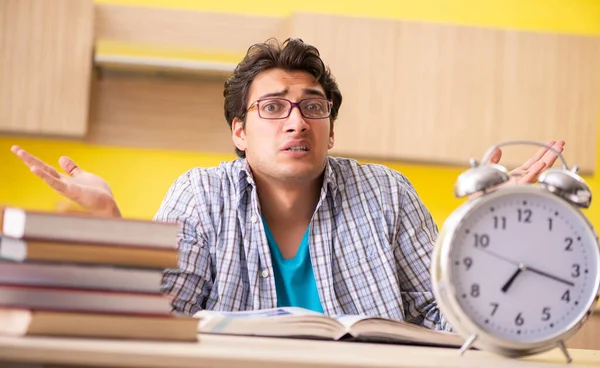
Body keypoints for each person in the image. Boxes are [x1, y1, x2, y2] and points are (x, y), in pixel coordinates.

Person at [10, 38, 564, 331]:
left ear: (329, 127)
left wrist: (487, 233)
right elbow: (163, 319)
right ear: (240, 131)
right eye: (273, 108)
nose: (297, 122)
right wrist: (110, 225)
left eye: (313, 107)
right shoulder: (202, 194)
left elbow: (451, 319)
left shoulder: (388, 193)